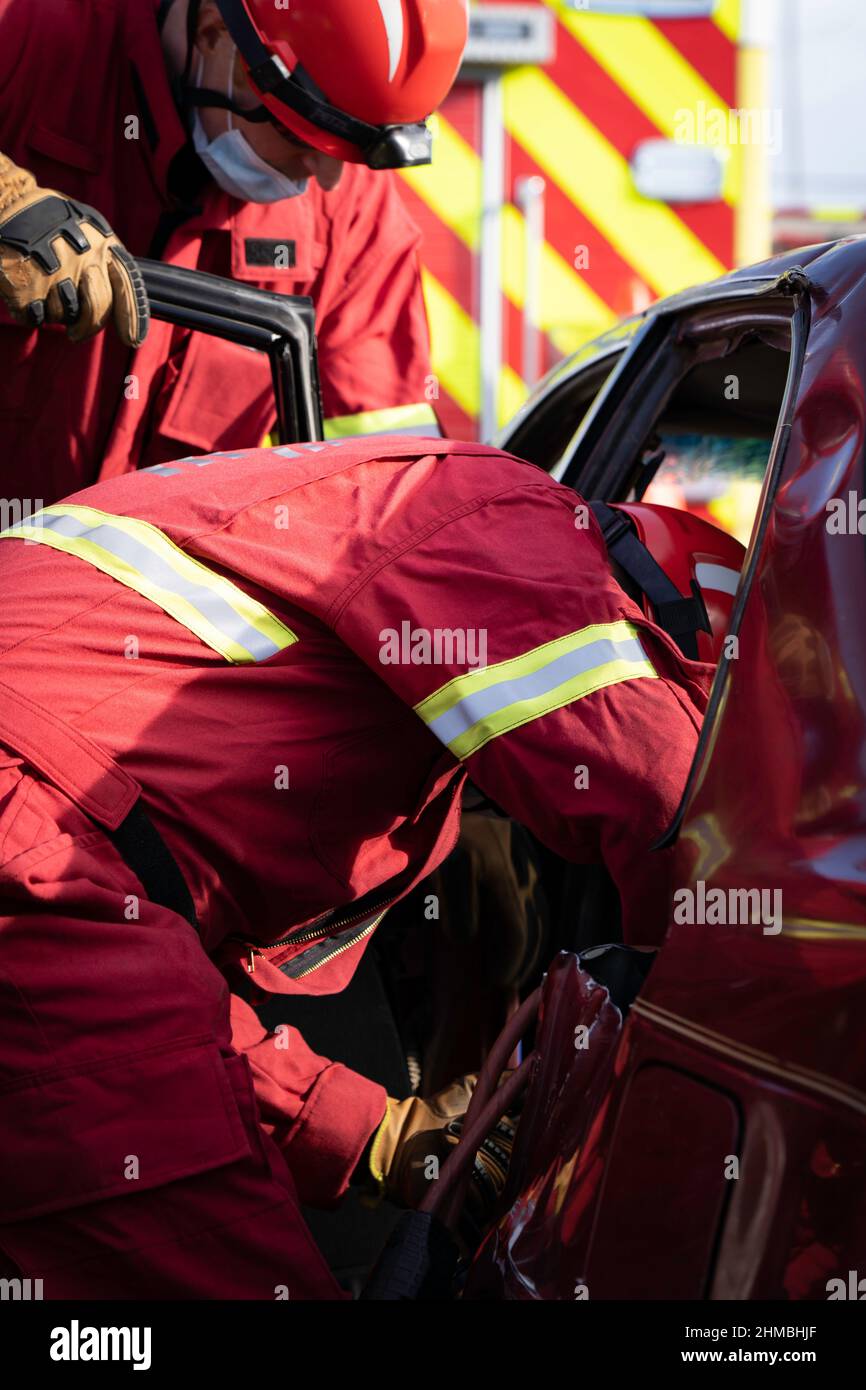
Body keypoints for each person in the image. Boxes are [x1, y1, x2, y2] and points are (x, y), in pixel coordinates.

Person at [0, 431, 722, 1298]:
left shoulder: (302, 513)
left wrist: (382, 1136)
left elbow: (140, 1007)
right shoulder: (491, 509)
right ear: (652, 613)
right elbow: (670, 799)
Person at [0, 0, 467, 504]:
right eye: (298, 130)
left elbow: (377, 487)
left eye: (350, 148)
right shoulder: (29, 33)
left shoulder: (354, 219)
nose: (329, 178)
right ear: (212, 31)